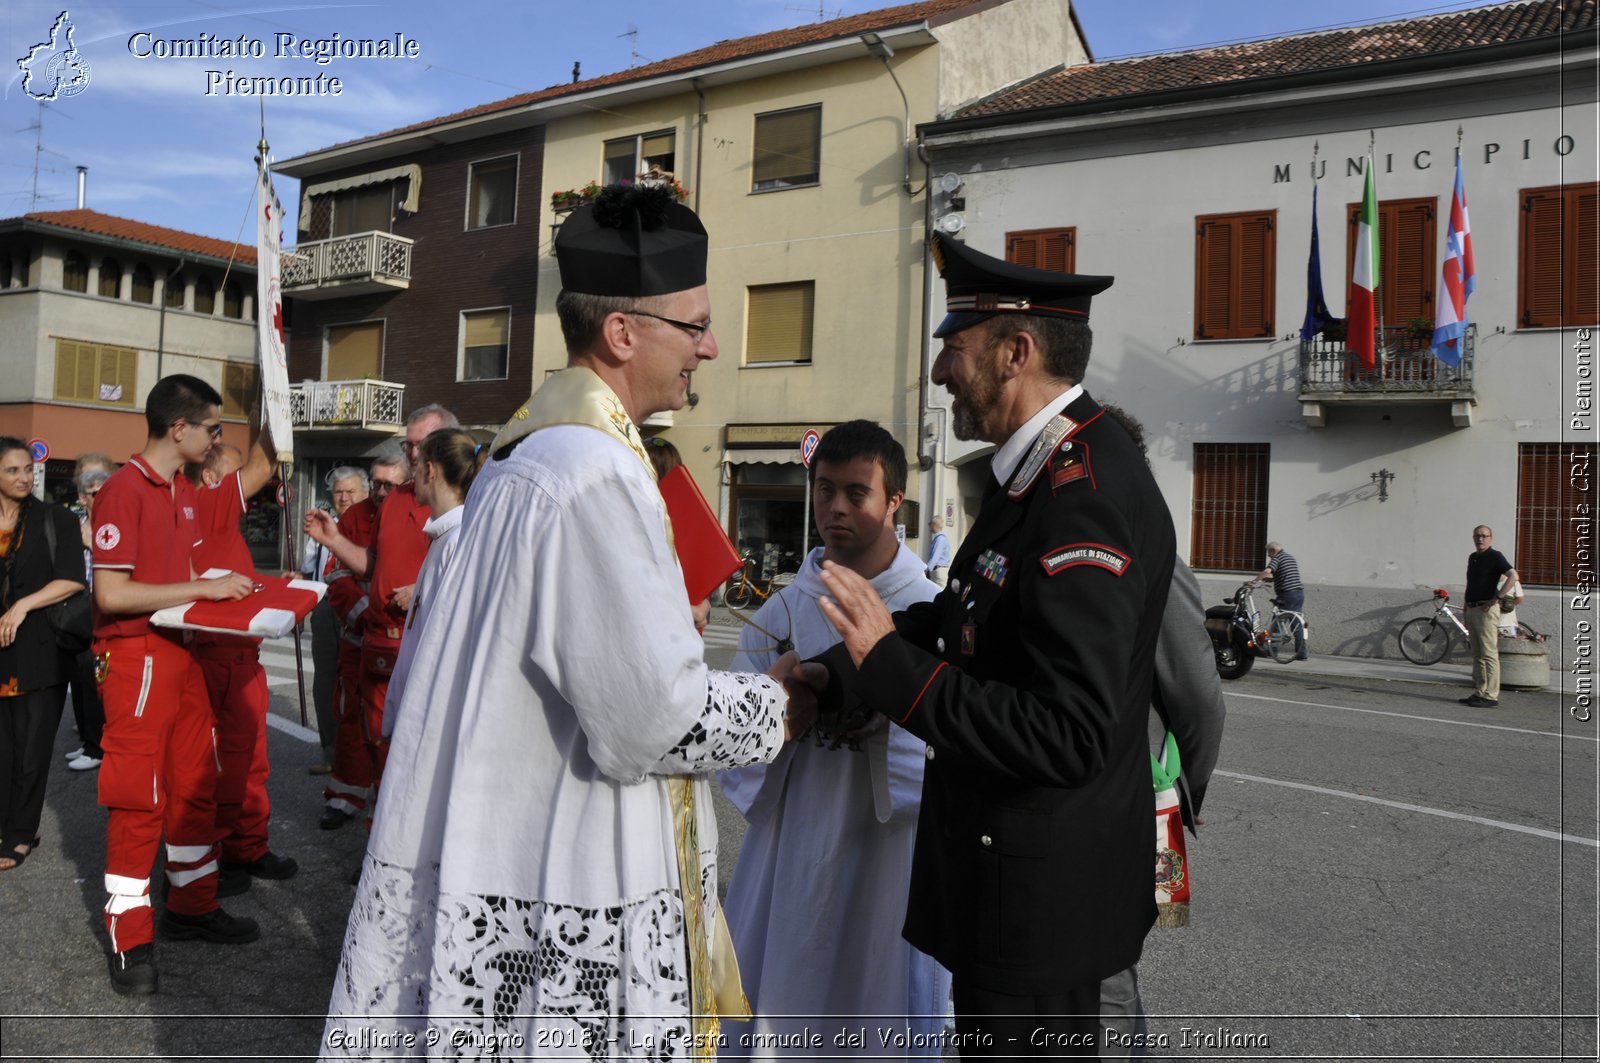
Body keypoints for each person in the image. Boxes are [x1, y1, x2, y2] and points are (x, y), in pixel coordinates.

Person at [320, 183, 814, 1057]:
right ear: (623, 332)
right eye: (693, 324)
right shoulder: (594, 472)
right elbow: (648, 718)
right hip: (566, 861)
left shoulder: (520, 458)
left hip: (497, 836)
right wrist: (776, 702)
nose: (710, 345)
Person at [812, 232, 1176, 1056]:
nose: (940, 370)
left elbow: (1068, 731)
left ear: (1016, 352)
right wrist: (838, 676)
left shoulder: (1080, 495)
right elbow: (963, 620)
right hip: (1011, 886)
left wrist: (891, 673)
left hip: (1037, 904)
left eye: (955, 347)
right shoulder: (1041, 471)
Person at [721, 419, 951, 1056]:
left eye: (857, 493)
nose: (836, 509)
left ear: (894, 502)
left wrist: (881, 716)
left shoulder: (927, 608)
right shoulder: (785, 610)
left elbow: (951, 733)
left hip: (888, 852)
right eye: (824, 490)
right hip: (794, 841)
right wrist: (777, 710)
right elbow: (735, 739)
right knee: (786, 988)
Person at [92, 374, 260, 995]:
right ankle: (129, 938)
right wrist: (204, 588)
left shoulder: (180, 489)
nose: (219, 438)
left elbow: (190, 569)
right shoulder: (123, 489)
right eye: (213, 428)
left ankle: (192, 906)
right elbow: (111, 593)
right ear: (179, 428)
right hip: (137, 657)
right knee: (139, 799)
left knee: (196, 784)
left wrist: (256, 592)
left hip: (179, 652)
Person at [306, 405, 454, 824]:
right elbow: (373, 566)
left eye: (418, 445)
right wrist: (333, 540)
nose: (410, 453)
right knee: (378, 748)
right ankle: (378, 854)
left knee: (422, 755)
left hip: (427, 649)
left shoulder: (472, 501)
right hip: (377, 649)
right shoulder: (393, 504)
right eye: (407, 444)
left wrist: (423, 588)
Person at [186, 435, 298, 895]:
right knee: (222, 767)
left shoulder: (223, 524)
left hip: (243, 655)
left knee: (252, 763)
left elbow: (237, 584)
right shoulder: (208, 504)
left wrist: (276, 588)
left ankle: (248, 847)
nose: (245, 488)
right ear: (213, 477)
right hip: (214, 657)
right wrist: (275, 407)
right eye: (234, 475)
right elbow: (263, 465)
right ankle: (216, 854)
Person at [0, 438, 87, 870]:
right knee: (3, 749)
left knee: (31, 749)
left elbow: (72, 579)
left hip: (41, 650)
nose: (23, 477)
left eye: (26, 470)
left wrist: (23, 604)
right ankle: (6, 823)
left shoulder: (56, 519)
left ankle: (20, 833)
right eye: (12, 470)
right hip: (1, 652)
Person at [311, 448, 404, 829]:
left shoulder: (414, 513)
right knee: (351, 715)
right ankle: (345, 795)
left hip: (400, 641)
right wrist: (366, 613)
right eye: (378, 484)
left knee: (391, 725)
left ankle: (387, 807)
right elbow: (335, 575)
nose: (382, 492)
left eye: (389, 484)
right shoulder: (353, 518)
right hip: (359, 635)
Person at [378, 428, 485, 737]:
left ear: (429, 470)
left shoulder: (458, 540)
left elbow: (446, 645)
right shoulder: (444, 537)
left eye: (417, 462)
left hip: (433, 722)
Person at [301, 467, 368, 775]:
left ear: (364, 493)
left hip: (360, 606)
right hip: (326, 606)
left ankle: (362, 753)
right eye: (338, 492)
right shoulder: (323, 526)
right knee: (325, 682)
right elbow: (308, 571)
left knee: (358, 683)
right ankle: (330, 752)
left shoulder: (371, 526)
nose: (343, 498)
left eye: (350, 491)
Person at [64, 457, 117, 772]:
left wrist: (93, 546)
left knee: (97, 679)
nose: (98, 498)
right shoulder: (78, 524)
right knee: (80, 677)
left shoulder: (115, 523)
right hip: (78, 610)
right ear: (82, 497)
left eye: (102, 490)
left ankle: (98, 747)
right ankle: (87, 740)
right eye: (91, 492)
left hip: (105, 612)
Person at [1460, 525, 1517, 708]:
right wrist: (1465, 608)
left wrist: (1496, 599)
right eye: (1477, 536)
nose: (1480, 539)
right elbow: (1472, 584)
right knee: (1477, 654)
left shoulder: (1495, 556)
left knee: (1489, 653)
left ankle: (1491, 695)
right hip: (1473, 608)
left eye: (1484, 536)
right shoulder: (1474, 557)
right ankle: (1480, 691)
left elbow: (1513, 575)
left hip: (1486, 610)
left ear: (1490, 538)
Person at [1258, 541, 1308, 660]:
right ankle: (1302, 653)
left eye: (1268, 553)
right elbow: (1285, 575)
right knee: (1297, 624)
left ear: (1273, 551)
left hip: (1287, 594)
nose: (1268, 556)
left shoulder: (1277, 558)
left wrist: (1254, 582)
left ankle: (1273, 650)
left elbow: (1267, 572)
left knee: (1278, 622)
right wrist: (1271, 581)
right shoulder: (1290, 558)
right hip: (1299, 594)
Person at [925, 516, 951, 588]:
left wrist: (927, 570)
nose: (929, 526)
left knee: (939, 594)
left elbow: (935, 557)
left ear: (934, 524)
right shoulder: (940, 538)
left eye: (930, 524)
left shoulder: (939, 539)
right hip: (938, 570)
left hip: (939, 571)